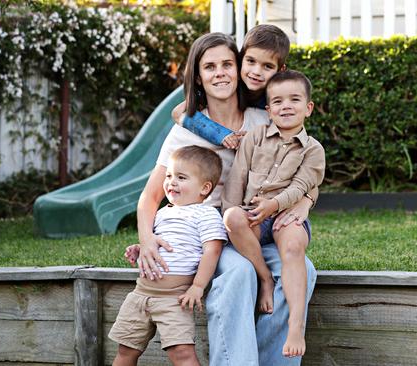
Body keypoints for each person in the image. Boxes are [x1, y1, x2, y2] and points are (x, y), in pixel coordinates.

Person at [126, 32, 317, 366]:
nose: (220, 73)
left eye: (228, 64)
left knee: (306, 269)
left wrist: (304, 203)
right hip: (210, 236)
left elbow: (305, 162)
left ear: (239, 66)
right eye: (209, 67)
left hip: (254, 228)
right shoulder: (185, 130)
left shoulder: (264, 118)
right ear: (197, 76)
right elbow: (150, 196)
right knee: (239, 273)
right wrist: (148, 239)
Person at [222, 70, 325, 358]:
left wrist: (274, 205)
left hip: (286, 214)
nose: (286, 106)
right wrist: (231, 212)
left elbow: (302, 186)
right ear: (268, 110)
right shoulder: (254, 138)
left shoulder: (314, 150)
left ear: (308, 107)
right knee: (232, 219)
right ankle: (265, 278)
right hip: (252, 214)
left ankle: (295, 326)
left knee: (293, 248)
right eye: (277, 101)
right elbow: (236, 179)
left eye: (294, 99)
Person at [109, 145, 227, 366]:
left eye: (181, 177)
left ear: (205, 187)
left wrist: (198, 286)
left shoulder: (206, 214)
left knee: (181, 353)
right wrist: (140, 247)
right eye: (169, 175)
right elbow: (158, 243)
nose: (171, 182)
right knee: (126, 350)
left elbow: (213, 249)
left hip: (174, 298)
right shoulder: (163, 213)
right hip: (140, 295)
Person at [171, 24, 290, 150]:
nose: (256, 72)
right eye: (251, 61)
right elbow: (178, 112)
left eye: (268, 66)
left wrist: (254, 140)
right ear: (241, 60)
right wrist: (221, 135)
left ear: (280, 70)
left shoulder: (280, 98)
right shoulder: (229, 85)